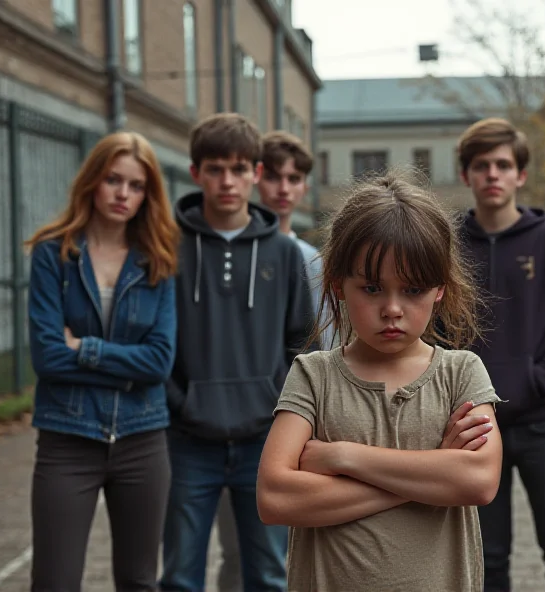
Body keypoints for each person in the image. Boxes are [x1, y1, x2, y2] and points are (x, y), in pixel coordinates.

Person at [256, 171, 504, 592]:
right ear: (338, 285)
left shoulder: (461, 372)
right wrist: (433, 474)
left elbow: (477, 481)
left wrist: (342, 458)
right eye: (372, 288)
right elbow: (275, 498)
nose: (392, 308)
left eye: (412, 290)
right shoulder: (313, 376)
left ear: (440, 288)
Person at [160, 113, 316, 592]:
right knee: (181, 576)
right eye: (215, 169)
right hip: (188, 441)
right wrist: (180, 402)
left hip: (261, 442)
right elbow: (156, 337)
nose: (227, 181)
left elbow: (300, 344)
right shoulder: (167, 247)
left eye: (239, 168)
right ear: (196, 173)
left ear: (256, 173)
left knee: (269, 574)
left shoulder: (286, 254)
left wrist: (277, 405)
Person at [25, 131, 179, 591]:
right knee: (54, 581)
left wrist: (84, 348)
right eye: (113, 180)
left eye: (136, 186)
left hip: (142, 439)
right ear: (93, 180)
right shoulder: (54, 254)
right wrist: (116, 361)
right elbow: (47, 356)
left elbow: (159, 362)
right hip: (67, 438)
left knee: (139, 582)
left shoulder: (158, 261)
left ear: (148, 195)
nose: (123, 194)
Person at [456, 117, 545, 591]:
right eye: (481, 165)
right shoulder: (448, 244)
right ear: (465, 175)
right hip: (474, 425)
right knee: (485, 558)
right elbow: (434, 331)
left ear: (520, 175)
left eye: (503, 164)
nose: (492, 174)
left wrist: (533, 381)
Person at [216, 129, 336, 592]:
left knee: (292, 550)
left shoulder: (318, 264)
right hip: (241, 420)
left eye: (296, 177)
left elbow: (325, 344)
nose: (284, 188)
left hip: (304, 422)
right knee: (237, 550)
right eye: (276, 177)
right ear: (257, 178)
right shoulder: (229, 256)